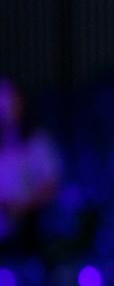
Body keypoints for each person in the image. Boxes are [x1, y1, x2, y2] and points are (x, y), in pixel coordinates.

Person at [0, 78, 60, 259]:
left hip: (32, 227)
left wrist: (23, 207)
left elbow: (50, 186)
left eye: (10, 102)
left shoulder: (38, 141)